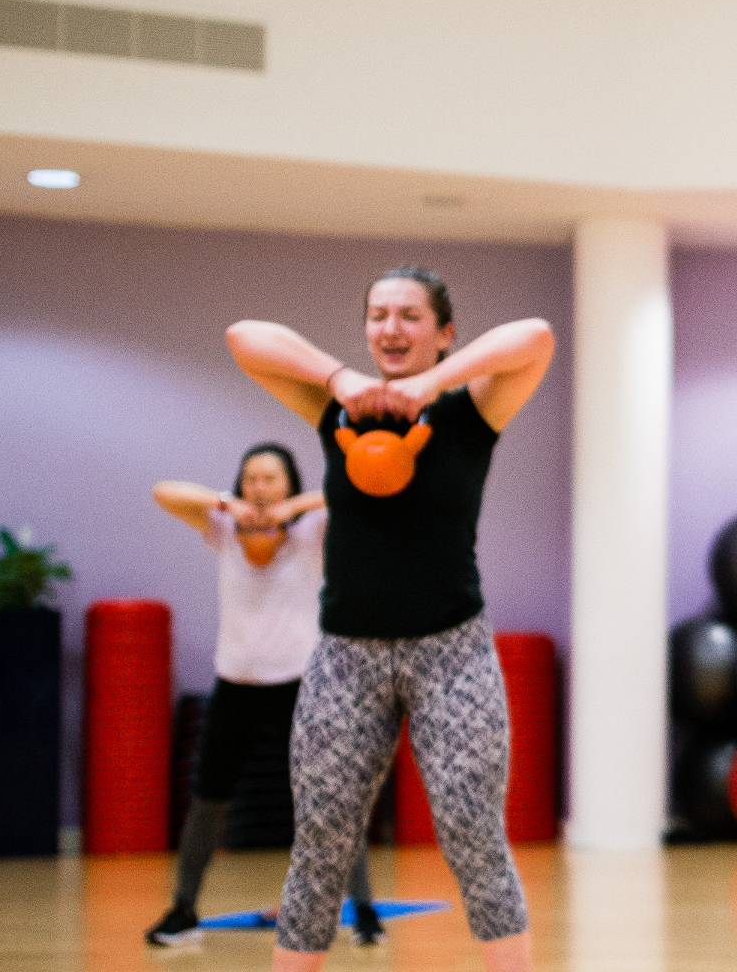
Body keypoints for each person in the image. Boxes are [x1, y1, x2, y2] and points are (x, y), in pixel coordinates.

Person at [224, 266, 553, 971]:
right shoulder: (335, 408)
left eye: (409, 315)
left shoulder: (472, 414)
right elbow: (243, 338)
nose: (391, 329)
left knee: (473, 836)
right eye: (378, 315)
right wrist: (340, 378)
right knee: (321, 845)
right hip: (348, 659)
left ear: (444, 333)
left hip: (452, 655)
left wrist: (429, 387)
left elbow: (536, 337)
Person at [141, 443, 381, 947]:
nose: (260, 487)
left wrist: (295, 509)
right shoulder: (223, 528)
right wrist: (229, 505)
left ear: (289, 484)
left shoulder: (311, 530)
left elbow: (357, 490)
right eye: (251, 478)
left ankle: (362, 911)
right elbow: (164, 492)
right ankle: (183, 911)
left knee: (333, 799)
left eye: (271, 478)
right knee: (208, 797)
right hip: (237, 686)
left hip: (302, 684)